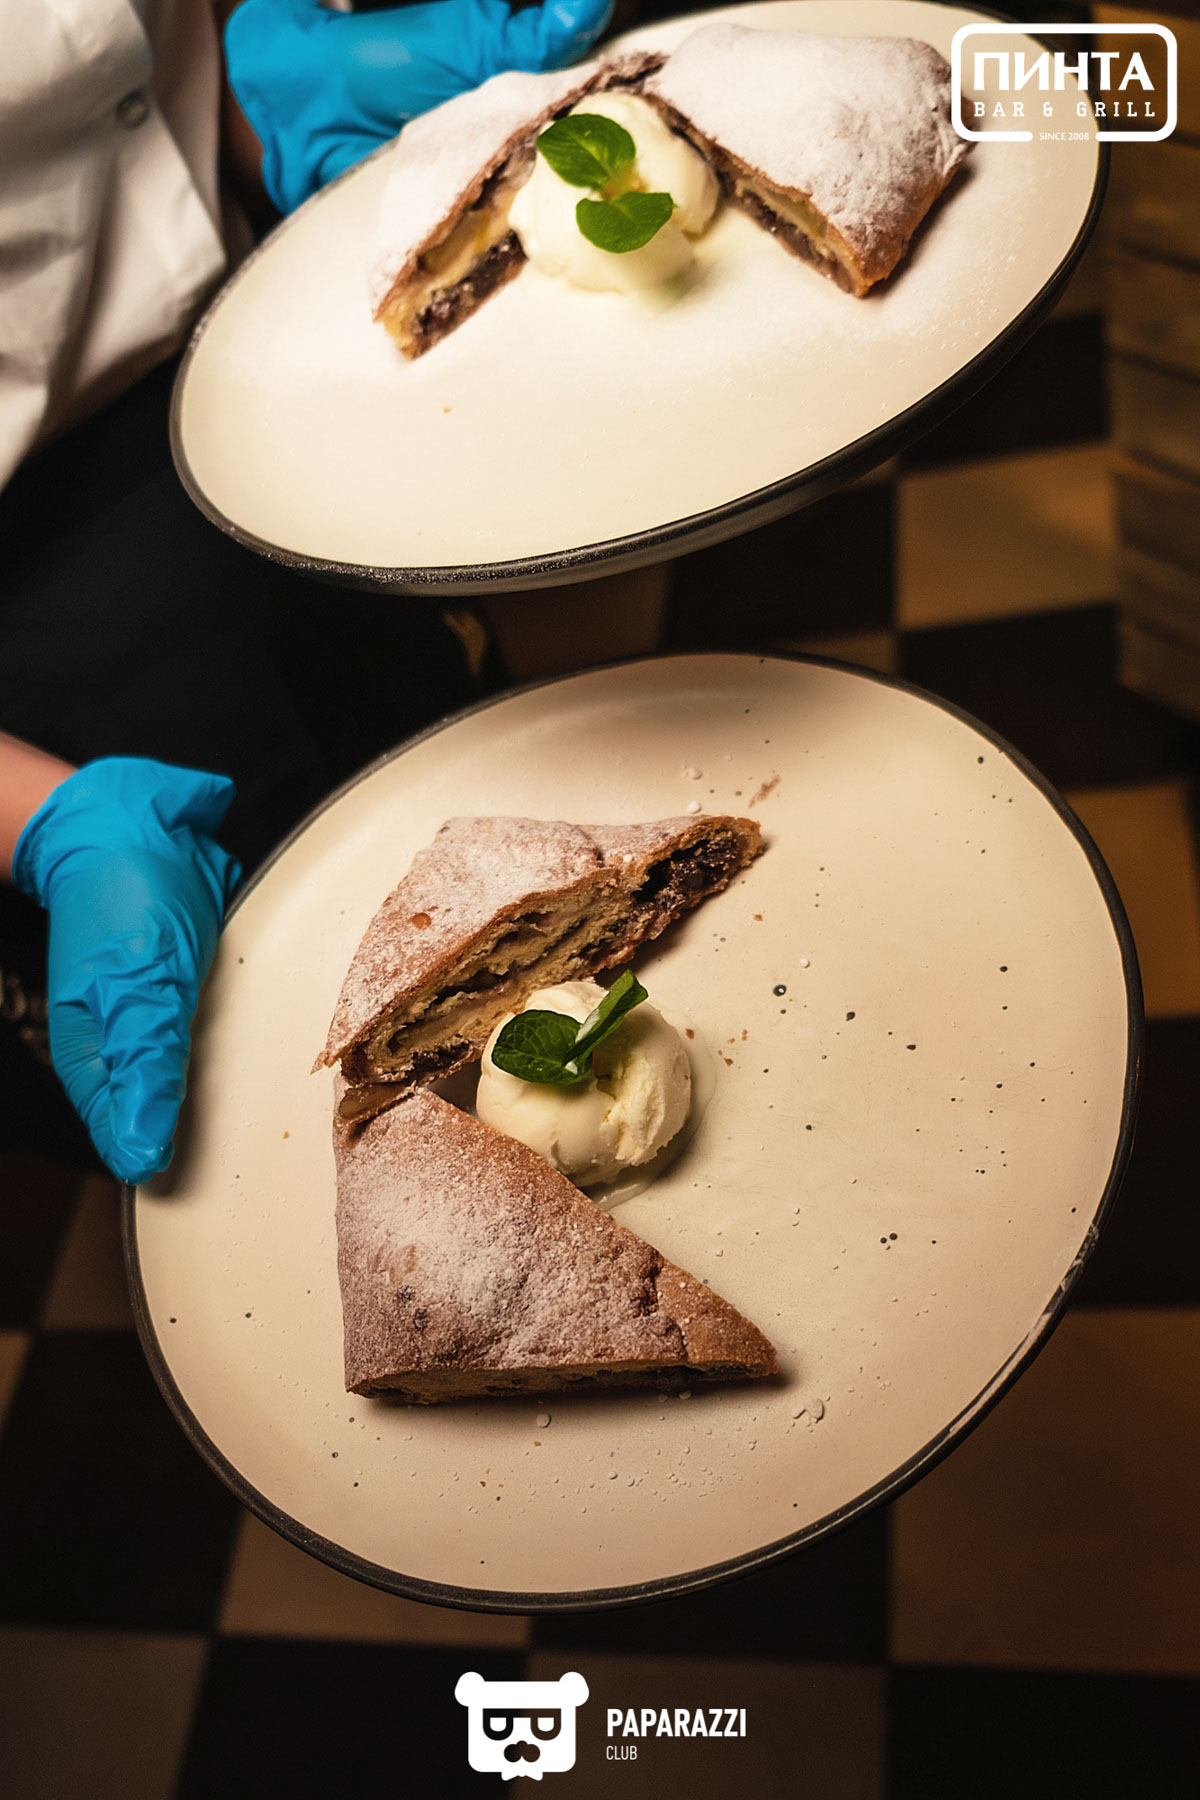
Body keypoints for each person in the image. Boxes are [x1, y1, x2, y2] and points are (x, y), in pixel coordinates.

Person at [0, 0, 613, 1182]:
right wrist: (40, 824)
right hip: (36, 674)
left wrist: (246, 97)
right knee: (301, 1131)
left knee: (517, 876)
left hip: (259, 404)